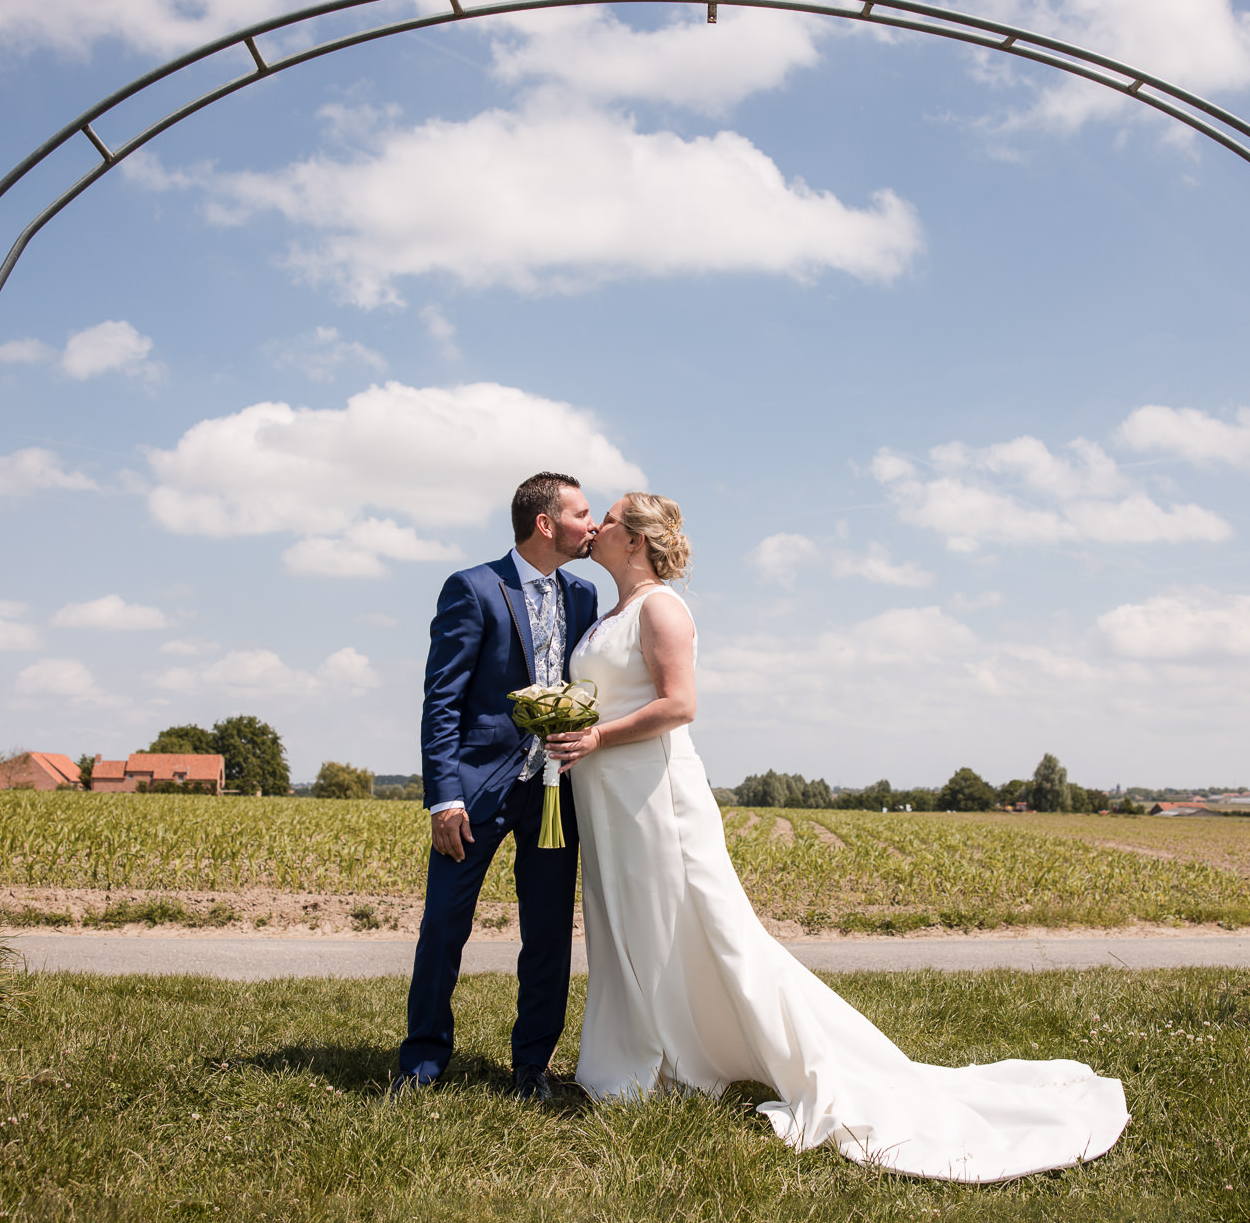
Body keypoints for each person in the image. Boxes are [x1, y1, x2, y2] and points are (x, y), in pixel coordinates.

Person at [544, 492, 1130, 1183]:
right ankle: (652, 1055)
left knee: (704, 929)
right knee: (631, 925)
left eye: (610, 517)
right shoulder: (606, 612)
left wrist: (598, 735)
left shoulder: (661, 608)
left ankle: (746, 1055)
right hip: (608, 799)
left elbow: (681, 704)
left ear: (637, 539)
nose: (598, 526)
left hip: (656, 796)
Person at [395, 472, 600, 1100]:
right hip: (476, 790)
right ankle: (422, 1063)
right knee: (443, 926)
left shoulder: (586, 596)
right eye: (582, 513)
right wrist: (445, 796)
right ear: (546, 523)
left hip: (553, 791)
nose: (592, 526)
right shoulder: (474, 588)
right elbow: (442, 701)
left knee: (547, 933)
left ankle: (531, 1065)